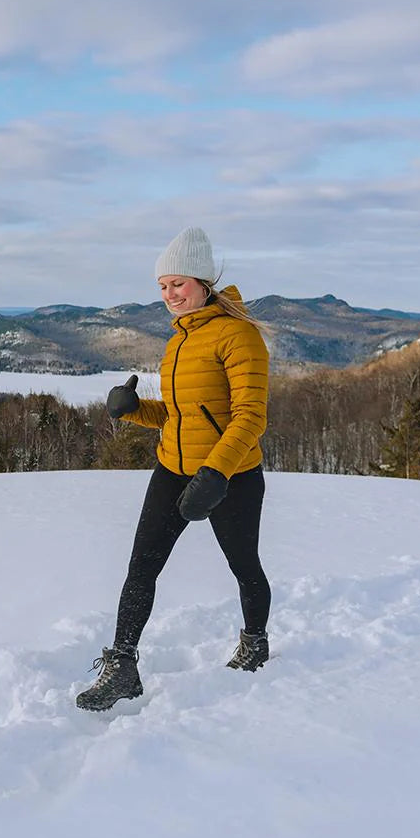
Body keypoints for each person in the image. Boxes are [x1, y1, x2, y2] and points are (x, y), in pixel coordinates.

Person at [76, 226, 271, 712]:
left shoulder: (238, 335)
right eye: (163, 286)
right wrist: (133, 409)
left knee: (243, 566)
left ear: (203, 281)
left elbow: (250, 416)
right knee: (141, 566)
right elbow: (179, 415)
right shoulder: (178, 340)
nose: (169, 294)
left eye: (177, 283)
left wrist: (217, 473)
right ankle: (122, 665)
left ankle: (255, 642)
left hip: (231, 475)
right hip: (172, 469)